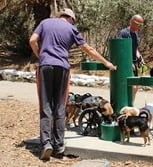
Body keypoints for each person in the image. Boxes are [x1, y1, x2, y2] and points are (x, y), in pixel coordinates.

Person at [29, 8, 116, 161]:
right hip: (62, 67)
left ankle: (46, 144)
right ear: (71, 19)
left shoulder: (45, 22)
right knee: (60, 106)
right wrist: (106, 62)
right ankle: (59, 145)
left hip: (45, 67)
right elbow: (88, 49)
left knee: (46, 106)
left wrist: (41, 56)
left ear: (60, 16)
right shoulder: (71, 28)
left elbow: (32, 40)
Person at [118, 14, 144, 103]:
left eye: (141, 25)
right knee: (131, 86)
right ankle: (127, 104)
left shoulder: (136, 34)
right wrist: (129, 63)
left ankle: (131, 104)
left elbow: (135, 48)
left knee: (136, 86)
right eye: (138, 24)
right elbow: (120, 49)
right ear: (132, 22)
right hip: (126, 63)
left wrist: (140, 58)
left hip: (135, 63)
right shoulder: (124, 33)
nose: (140, 27)